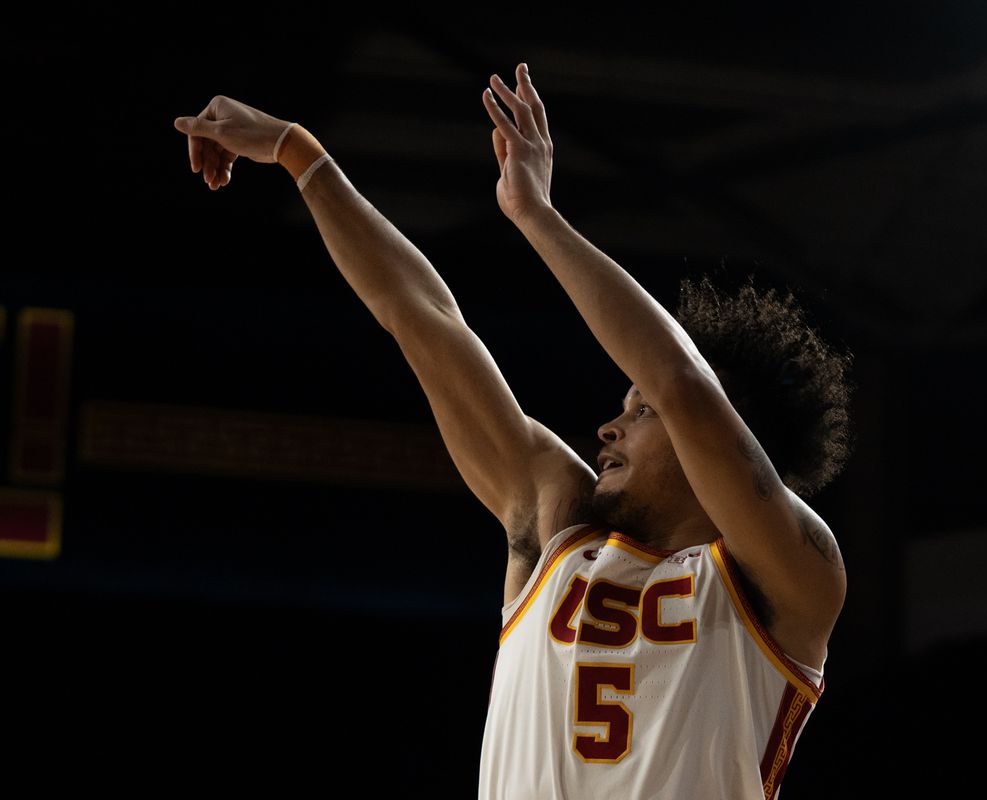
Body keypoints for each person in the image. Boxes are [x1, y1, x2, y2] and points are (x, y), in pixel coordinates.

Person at [174, 61, 855, 799]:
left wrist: (537, 216)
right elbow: (425, 318)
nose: (609, 428)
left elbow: (682, 384)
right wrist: (302, 155)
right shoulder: (557, 519)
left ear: (723, 437)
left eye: (639, 412)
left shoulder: (790, 580)